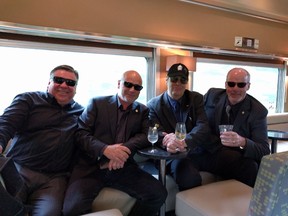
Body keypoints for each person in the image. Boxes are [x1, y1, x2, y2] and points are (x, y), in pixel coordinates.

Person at [63, 70, 167, 216]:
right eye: (128, 84)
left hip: (123, 166)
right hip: (92, 167)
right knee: (71, 210)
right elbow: (81, 134)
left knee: (158, 194)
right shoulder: (97, 103)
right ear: (119, 84)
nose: (132, 90)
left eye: (137, 87)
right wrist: (105, 150)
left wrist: (122, 150)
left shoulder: (142, 110)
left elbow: (145, 135)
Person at [0, 65, 84, 216]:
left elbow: (91, 139)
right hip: (19, 170)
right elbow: (6, 123)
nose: (64, 85)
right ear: (49, 83)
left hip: (53, 180)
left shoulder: (82, 113)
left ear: (75, 89)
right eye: (59, 80)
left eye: (70, 83)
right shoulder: (28, 100)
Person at [147, 63, 212, 191]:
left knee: (233, 160)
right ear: (167, 80)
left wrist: (185, 141)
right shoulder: (153, 105)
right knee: (189, 176)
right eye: (174, 79)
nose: (178, 83)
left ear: (186, 82)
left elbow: (203, 126)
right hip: (170, 155)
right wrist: (168, 142)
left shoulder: (195, 98)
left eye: (183, 80)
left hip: (194, 150)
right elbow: (155, 132)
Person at [203, 67, 270, 187]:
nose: (235, 89)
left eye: (241, 85)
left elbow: (264, 150)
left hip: (234, 156)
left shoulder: (258, 111)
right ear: (225, 84)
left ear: (248, 86)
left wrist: (242, 142)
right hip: (208, 151)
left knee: (250, 167)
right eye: (231, 84)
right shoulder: (211, 96)